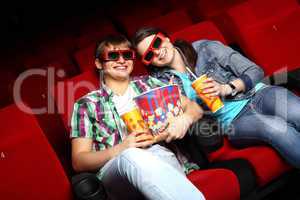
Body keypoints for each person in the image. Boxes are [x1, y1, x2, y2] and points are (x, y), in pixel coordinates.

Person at [132, 27, 300, 168]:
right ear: (149, 63)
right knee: (276, 127)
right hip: (234, 122)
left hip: (259, 94)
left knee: (296, 112)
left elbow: (255, 71)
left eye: (157, 43)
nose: (157, 52)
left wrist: (226, 88)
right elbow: (176, 121)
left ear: (167, 38)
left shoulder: (206, 48)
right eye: (149, 55)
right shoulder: (163, 84)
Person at [70, 34, 206, 200]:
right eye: (113, 56)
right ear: (99, 63)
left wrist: (184, 120)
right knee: (133, 154)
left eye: (127, 55)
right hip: (117, 171)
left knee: (157, 151)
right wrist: (122, 148)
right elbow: (79, 161)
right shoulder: (87, 104)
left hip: (161, 158)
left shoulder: (149, 84)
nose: (122, 60)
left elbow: (194, 108)